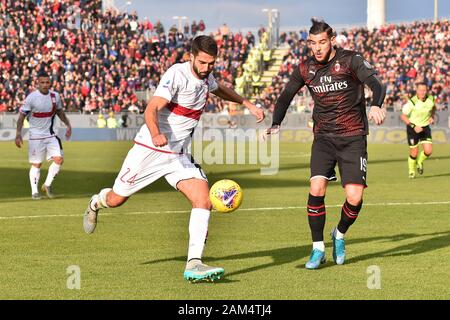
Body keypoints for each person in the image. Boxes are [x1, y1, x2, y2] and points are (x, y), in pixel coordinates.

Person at [83, 35, 264, 282]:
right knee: (116, 199)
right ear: (191, 56)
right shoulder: (177, 74)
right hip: (150, 150)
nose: (206, 68)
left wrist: (247, 104)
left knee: (203, 199)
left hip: (178, 156)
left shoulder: (205, 75)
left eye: (211, 64)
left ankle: (194, 263)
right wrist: (156, 134)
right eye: (202, 62)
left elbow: (218, 88)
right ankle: (95, 202)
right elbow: (152, 108)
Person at [264, 19, 386, 269]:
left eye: (322, 42)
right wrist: (276, 122)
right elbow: (286, 95)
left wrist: (376, 104)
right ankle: (317, 248)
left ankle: (339, 235)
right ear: (309, 43)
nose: (317, 48)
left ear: (332, 41)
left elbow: (376, 84)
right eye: (313, 43)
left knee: (354, 197)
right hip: (323, 139)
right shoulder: (305, 68)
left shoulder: (351, 60)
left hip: (353, 137)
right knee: (317, 189)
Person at [15, 71, 72, 199]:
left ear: (50, 82)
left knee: (59, 159)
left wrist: (68, 124)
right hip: (35, 136)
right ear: (38, 83)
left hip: (51, 135)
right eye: (42, 82)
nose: (45, 85)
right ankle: (34, 192)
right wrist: (18, 134)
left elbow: (60, 112)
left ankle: (47, 185)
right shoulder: (31, 98)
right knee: (37, 164)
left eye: (47, 82)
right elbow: (21, 117)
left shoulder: (55, 96)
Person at [400, 82, 436, 178]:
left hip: (425, 127)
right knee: (414, 152)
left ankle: (419, 162)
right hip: (413, 128)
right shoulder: (412, 102)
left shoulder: (431, 99)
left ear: (426, 90)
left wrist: (432, 116)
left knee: (428, 151)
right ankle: (411, 171)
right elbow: (403, 116)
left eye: (424, 90)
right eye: (420, 90)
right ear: (417, 91)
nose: (422, 92)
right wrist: (413, 126)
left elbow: (433, 107)